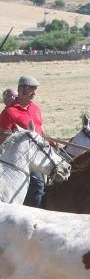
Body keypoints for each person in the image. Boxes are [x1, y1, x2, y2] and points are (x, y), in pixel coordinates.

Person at [0, 75, 47, 207]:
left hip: (42, 150)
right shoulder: (9, 112)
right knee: (38, 184)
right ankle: (36, 215)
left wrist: (51, 142)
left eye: (35, 89)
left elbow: (41, 129)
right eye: (31, 89)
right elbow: (2, 137)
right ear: (21, 90)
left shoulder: (35, 108)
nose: (34, 93)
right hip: (23, 156)